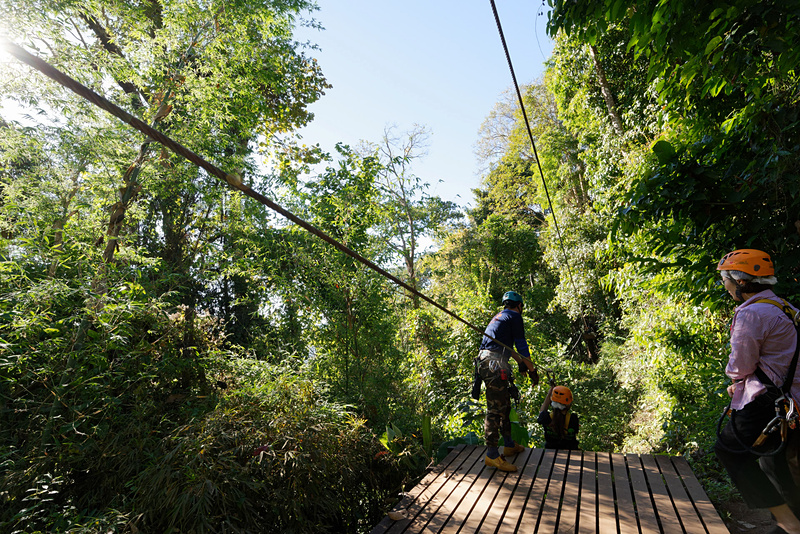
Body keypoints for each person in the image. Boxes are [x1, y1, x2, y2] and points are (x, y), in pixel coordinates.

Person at [715, 249, 800, 534]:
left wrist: (736, 381)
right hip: (792, 400)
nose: (725, 286)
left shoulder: (751, 314)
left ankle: (788, 522)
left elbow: (740, 366)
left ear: (740, 282)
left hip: (767, 401)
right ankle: (791, 520)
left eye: (726, 280)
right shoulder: (786, 308)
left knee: (730, 450)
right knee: (773, 460)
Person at [475, 290, 539, 472]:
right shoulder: (515, 317)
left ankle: (509, 445)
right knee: (495, 409)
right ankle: (492, 455)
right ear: (519, 306)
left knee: (504, 404)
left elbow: (507, 348)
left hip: (489, 361)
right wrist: (532, 371)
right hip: (494, 363)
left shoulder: (500, 317)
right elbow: (522, 347)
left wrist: (520, 364)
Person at [537, 382, 580, 450]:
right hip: (570, 453)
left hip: (550, 452)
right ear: (568, 405)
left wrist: (550, 393)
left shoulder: (545, 417)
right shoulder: (573, 419)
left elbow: (542, 412)